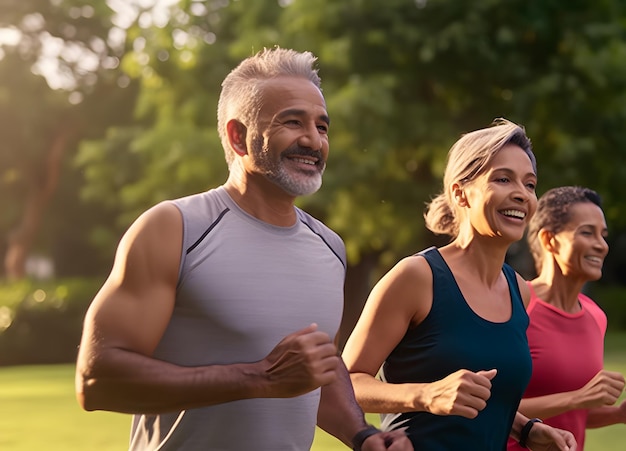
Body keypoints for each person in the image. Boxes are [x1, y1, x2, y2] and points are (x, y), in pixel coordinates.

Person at [75, 47, 411, 451]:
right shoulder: (175, 228)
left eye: (322, 127)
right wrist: (260, 378)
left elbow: (317, 373)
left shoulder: (330, 247)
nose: (313, 140)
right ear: (238, 136)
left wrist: (362, 434)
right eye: (292, 122)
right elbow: (97, 382)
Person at [342, 119, 578, 450]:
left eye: (529, 184)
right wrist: (426, 395)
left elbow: (484, 400)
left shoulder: (519, 290)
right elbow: (346, 382)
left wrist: (526, 430)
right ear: (460, 192)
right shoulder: (417, 277)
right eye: (502, 179)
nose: (521, 194)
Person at [506, 186, 626, 450]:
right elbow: (490, 408)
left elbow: (574, 414)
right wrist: (578, 397)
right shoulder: (514, 306)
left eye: (603, 235)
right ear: (550, 240)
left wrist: (618, 415)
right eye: (587, 232)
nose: (601, 245)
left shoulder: (596, 316)